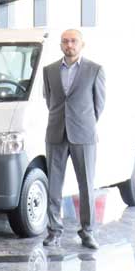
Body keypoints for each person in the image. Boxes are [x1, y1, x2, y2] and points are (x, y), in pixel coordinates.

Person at [42, 29, 105, 250]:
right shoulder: (49, 70)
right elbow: (50, 100)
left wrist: (82, 121)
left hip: (84, 135)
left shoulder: (95, 70)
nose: (69, 45)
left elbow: (99, 105)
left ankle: (87, 232)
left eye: (73, 41)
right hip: (56, 133)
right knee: (54, 186)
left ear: (82, 44)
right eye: (65, 41)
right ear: (61, 45)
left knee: (86, 185)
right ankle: (53, 231)